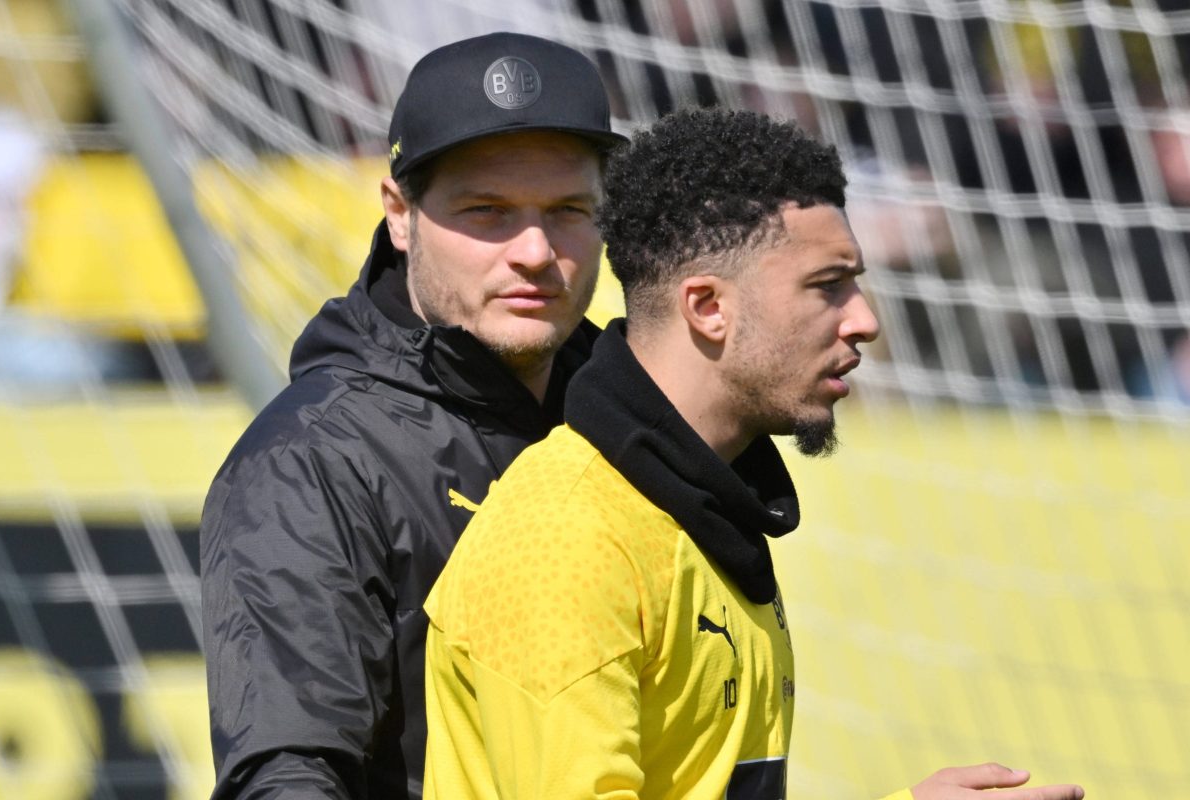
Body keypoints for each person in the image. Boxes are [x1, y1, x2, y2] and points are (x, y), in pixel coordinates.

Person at [422, 108, 1085, 800]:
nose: (864, 320)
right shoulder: (567, 543)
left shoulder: (705, 509)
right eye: (828, 286)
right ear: (708, 307)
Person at [199, 32, 625, 800]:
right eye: (487, 211)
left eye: (568, 210)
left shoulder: (635, 430)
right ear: (401, 215)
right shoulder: (311, 457)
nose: (535, 249)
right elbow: (290, 777)